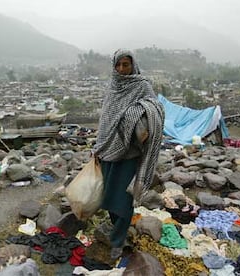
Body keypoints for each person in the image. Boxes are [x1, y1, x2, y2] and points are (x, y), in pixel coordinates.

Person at [92, 49, 164, 259]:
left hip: (130, 153)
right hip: (108, 150)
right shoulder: (112, 87)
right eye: (119, 65)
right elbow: (106, 121)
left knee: (123, 198)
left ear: (133, 65)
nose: (122, 69)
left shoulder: (142, 85)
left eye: (126, 64)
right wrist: (97, 148)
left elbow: (155, 108)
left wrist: (136, 114)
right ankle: (117, 228)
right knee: (108, 197)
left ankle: (118, 240)